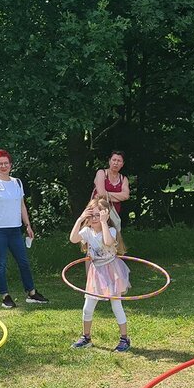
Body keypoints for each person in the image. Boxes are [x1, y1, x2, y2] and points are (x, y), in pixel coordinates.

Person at [0, 149, 49, 308]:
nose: (3, 166)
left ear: (11, 165)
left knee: (24, 262)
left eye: (6, 163)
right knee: (1, 264)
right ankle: (5, 296)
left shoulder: (17, 183)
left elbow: (22, 206)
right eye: (0, 164)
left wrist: (28, 225)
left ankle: (32, 293)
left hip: (15, 230)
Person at [68, 196, 131, 352]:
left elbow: (109, 242)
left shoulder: (110, 230)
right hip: (96, 273)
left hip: (112, 271)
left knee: (116, 305)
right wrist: (80, 219)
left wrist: (103, 222)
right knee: (88, 307)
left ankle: (124, 338)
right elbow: (73, 238)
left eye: (98, 215)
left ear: (105, 215)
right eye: (92, 215)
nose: (94, 218)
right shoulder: (87, 231)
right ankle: (86, 337)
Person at [91, 150, 130, 229]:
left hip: (113, 215)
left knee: (112, 238)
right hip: (97, 213)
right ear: (109, 161)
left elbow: (126, 196)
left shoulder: (123, 179)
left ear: (122, 164)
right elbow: (101, 194)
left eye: (119, 161)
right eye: (114, 160)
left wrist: (107, 194)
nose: (116, 163)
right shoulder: (101, 173)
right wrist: (118, 197)